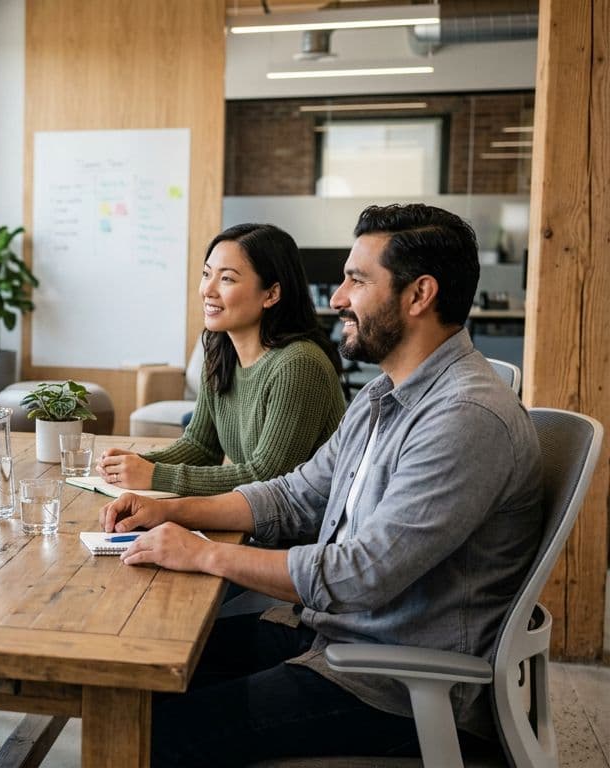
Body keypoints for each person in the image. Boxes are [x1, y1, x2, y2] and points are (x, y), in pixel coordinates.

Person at [100, 203, 542, 765]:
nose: (335, 300)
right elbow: (295, 494)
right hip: (339, 638)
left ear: (418, 295)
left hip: (398, 685)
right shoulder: (383, 397)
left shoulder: (464, 417)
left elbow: (363, 574)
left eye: (357, 280)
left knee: (151, 732)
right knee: (142, 674)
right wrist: (176, 512)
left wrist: (204, 557)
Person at [98, 222, 345, 496]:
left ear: (272, 294)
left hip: (301, 530)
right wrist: (135, 465)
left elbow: (268, 477)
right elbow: (200, 447)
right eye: (207, 274)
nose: (208, 290)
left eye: (227, 278)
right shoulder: (221, 351)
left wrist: (155, 475)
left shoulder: (298, 364)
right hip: (254, 516)